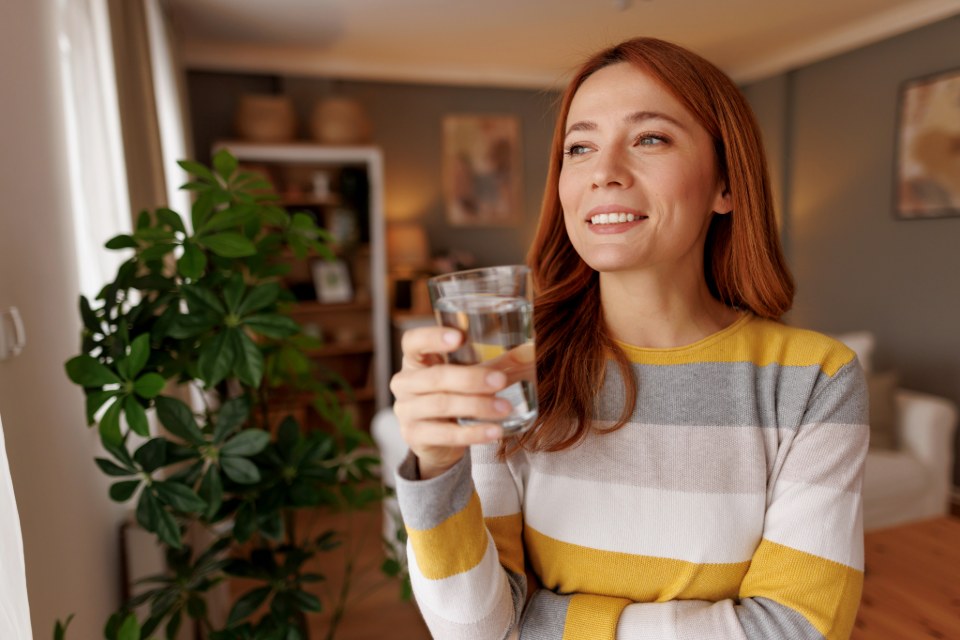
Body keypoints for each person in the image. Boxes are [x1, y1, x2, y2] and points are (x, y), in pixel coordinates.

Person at [389, 36, 867, 640]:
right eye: (579, 147)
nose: (604, 173)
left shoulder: (814, 379)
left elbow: (796, 630)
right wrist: (435, 470)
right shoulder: (509, 366)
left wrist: (547, 622)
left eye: (650, 138)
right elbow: (476, 631)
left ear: (726, 183)